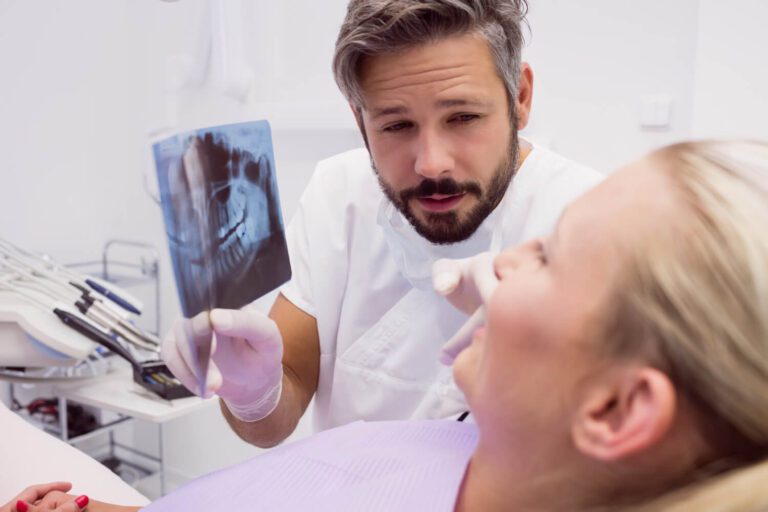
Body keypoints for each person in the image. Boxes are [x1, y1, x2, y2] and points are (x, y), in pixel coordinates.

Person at [8, 139, 768, 510]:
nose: (491, 267)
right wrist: (255, 392)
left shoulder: (587, 198)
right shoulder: (466, 444)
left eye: (551, 255)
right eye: (394, 124)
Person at [162, 0, 603, 448]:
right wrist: (251, 393)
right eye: (396, 126)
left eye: (463, 117)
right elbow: (276, 414)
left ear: (520, 98)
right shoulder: (339, 195)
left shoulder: (590, 218)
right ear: (359, 120)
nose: (432, 164)